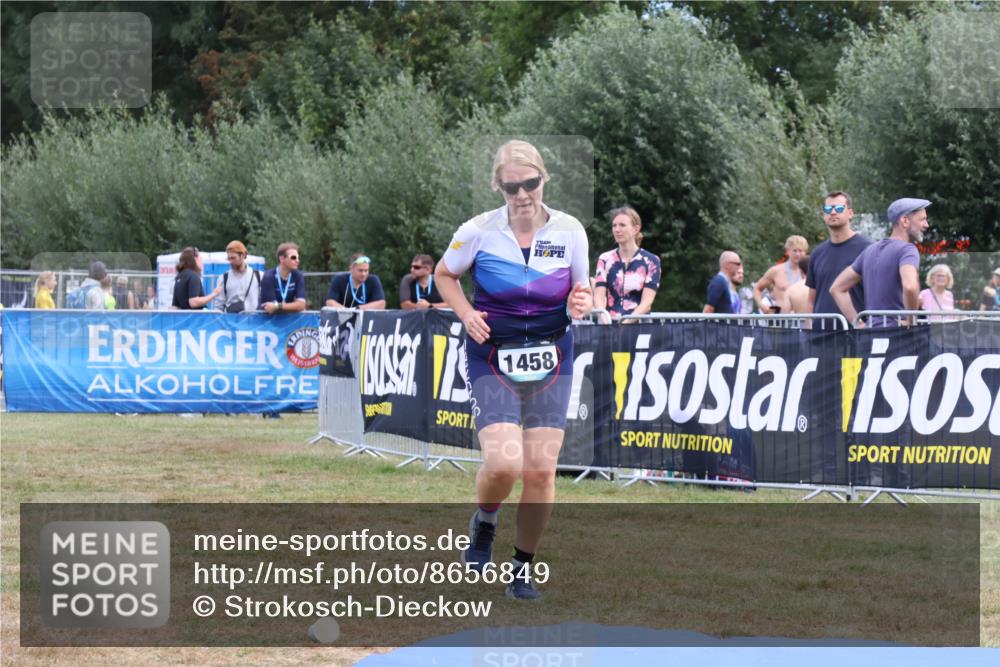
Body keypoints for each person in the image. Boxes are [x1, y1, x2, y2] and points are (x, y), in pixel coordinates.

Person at [434, 139, 592, 600]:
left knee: (541, 470)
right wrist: (465, 314)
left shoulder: (570, 231)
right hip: (492, 354)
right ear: (498, 187)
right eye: (511, 187)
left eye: (531, 183)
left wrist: (582, 300)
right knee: (504, 463)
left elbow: (582, 291)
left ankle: (522, 569)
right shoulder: (478, 230)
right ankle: (485, 517)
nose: (523, 194)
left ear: (545, 179)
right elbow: (446, 274)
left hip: (552, 353)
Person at [831, 197, 930, 327]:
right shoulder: (907, 250)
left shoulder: (870, 250)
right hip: (897, 335)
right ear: (905, 221)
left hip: (871, 334)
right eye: (922, 219)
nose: (926, 225)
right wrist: (911, 321)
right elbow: (910, 286)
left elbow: (836, 288)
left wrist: (858, 323)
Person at [806, 192, 871, 326]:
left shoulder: (868, 248)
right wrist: (807, 333)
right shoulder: (817, 253)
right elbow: (811, 300)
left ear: (850, 213)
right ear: (824, 215)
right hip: (821, 336)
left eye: (839, 208)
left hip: (856, 334)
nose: (833, 212)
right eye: (828, 209)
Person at [593, 206, 660, 322]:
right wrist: (603, 318)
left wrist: (627, 322)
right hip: (609, 325)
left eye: (622, 225)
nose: (617, 229)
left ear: (635, 229)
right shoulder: (604, 259)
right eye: (614, 225)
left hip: (639, 326)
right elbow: (599, 296)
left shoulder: (651, 260)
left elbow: (647, 303)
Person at [753, 236, 808, 314]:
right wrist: (762, 305)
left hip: (802, 318)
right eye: (794, 251)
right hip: (781, 319)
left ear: (805, 252)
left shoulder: (809, 272)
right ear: (787, 251)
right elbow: (757, 288)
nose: (797, 254)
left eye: (800, 251)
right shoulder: (776, 271)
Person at [214, 240, 261, 313]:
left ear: (243, 256)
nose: (230, 261)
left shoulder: (259, 276)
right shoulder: (223, 278)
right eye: (229, 258)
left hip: (253, 322)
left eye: (233, 258)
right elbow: (218, 306)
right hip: (231, 322)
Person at [260, 242, 307, 314]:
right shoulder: (269, 276)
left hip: (287, 320)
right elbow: (271, 308)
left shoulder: (298, 275)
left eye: (298, 258)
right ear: (282, 259)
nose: (297, 260)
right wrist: (293, 306)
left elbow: (301, 305)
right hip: (267, 321)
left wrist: (278, 306)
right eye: (293, 257)